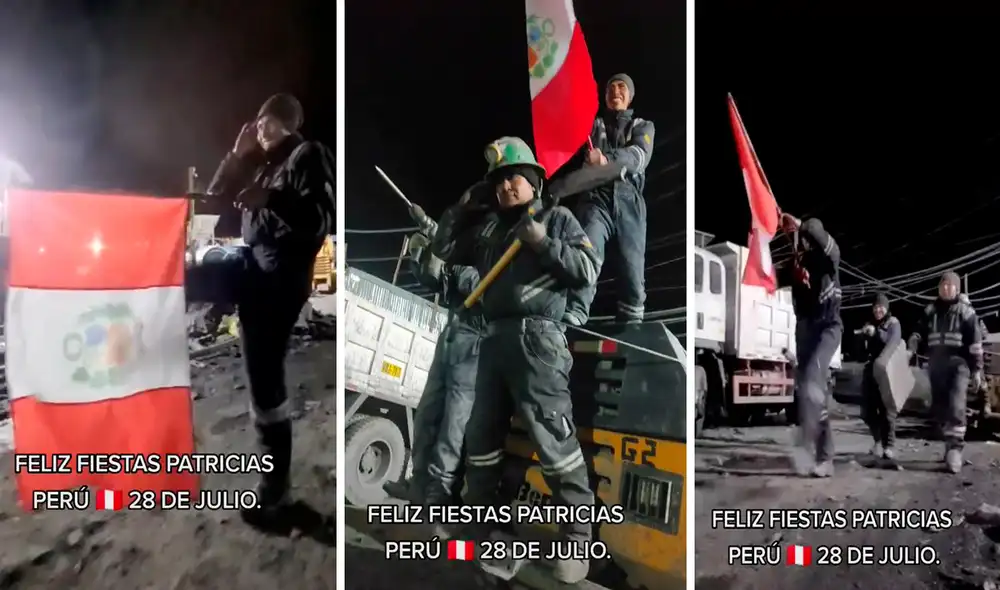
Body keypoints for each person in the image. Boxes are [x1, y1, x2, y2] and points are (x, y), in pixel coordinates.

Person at [432, 137, 599, 584]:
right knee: (481, 440)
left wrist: (544, 243)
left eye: (515, 178)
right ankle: (487, 527)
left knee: (554, 443)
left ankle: (577, 539)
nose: (507, 186)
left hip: (538, 340)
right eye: (500, 181)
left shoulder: (557, 218)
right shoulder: (488, 231)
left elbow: (587, 270)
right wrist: (465, 205)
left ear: (534, 182)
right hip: (491, 339)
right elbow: (444, 249)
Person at [187, 93, 335, 520]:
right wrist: (236, 157)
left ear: (285, 122)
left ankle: (276, 488)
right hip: (252, 263)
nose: (258, 128)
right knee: (185, 278)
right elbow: (214, 200)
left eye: (265, 121)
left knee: (264, 378)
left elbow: (320, 218)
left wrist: (269, 200)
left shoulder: (308, 154)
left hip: (282, 276)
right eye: (255, 122)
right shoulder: (263, 165)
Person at [384, 228, 484, 506]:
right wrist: (423, 256)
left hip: (475, 342)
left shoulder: (501, 250)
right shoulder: (469, 245)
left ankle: (439, 495)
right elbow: (438, 283)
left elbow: (485, 285)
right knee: (426, 415)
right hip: (450, 337)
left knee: (453, 425)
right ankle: (418, 486)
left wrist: (452, 263)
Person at [564, 73, 655, 325]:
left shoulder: (642, 125)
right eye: (611, 88)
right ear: (604, 97)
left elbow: (638, 156)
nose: (616, 91)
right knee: (587, 250)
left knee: (632, 265)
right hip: (595, 197)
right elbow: (571, 142)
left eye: (622, 87)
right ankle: (577, 308)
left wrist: (606, 160)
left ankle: (632, 315)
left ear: (630, 95)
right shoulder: (591, 126)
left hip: (629, 198)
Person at [776, 213, 842, 478]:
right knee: (808, 391)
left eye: (806, 237)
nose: (803, 240)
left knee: (815, 379)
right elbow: (772, 276)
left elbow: (821, 239)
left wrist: (803, 224)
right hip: (804, 330)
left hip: (828, 327)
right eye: (801, 238)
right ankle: (817, 450)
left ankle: (821, 453)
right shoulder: (796, 263)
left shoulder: (830, 259)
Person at [912, 273, 983, 473]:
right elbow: (918, 333)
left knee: (956, 405)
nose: (946, 288)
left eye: (950, 285)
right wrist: (912, 345)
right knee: (940, 408)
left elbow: (976, 344)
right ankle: (948, 444)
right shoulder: (930, 311)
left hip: (959, 365)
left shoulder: (967, 313)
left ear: (957, 289)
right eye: (943, 285)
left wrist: (977, 370)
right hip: (936, 365)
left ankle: (955, 450)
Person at [859, 293, 901, 460]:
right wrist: (862, 338)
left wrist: (876, 333)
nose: (878, 310)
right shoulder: (868, 324)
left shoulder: (893, 323)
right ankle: (877, 441)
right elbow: (861, 353)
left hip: (887, 370)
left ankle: (889, 445)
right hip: (870, 370)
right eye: (875, 307)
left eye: (881, 307)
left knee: (886, 410)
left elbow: (892, 342)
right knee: (867, 410)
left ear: (887, 308)